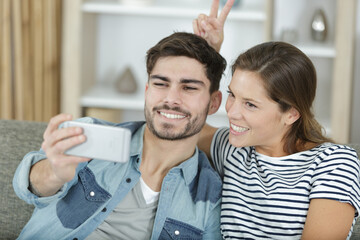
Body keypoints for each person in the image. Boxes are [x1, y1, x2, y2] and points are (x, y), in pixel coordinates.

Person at [12, 32, 227, 239]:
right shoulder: (90, 135)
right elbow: (27, 186)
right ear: (147, 90)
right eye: (160, 84)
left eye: (189, 88)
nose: (171, 99)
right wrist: (54, 173)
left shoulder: (209, 197)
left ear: (214, 103)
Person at [194, 1, 360, 239]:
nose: (231, 112)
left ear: (291, 114)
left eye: (250, 104)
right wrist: (207, 53)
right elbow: (182, 123)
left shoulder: (333, 163)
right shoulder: (232, 148)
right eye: (233, 95)